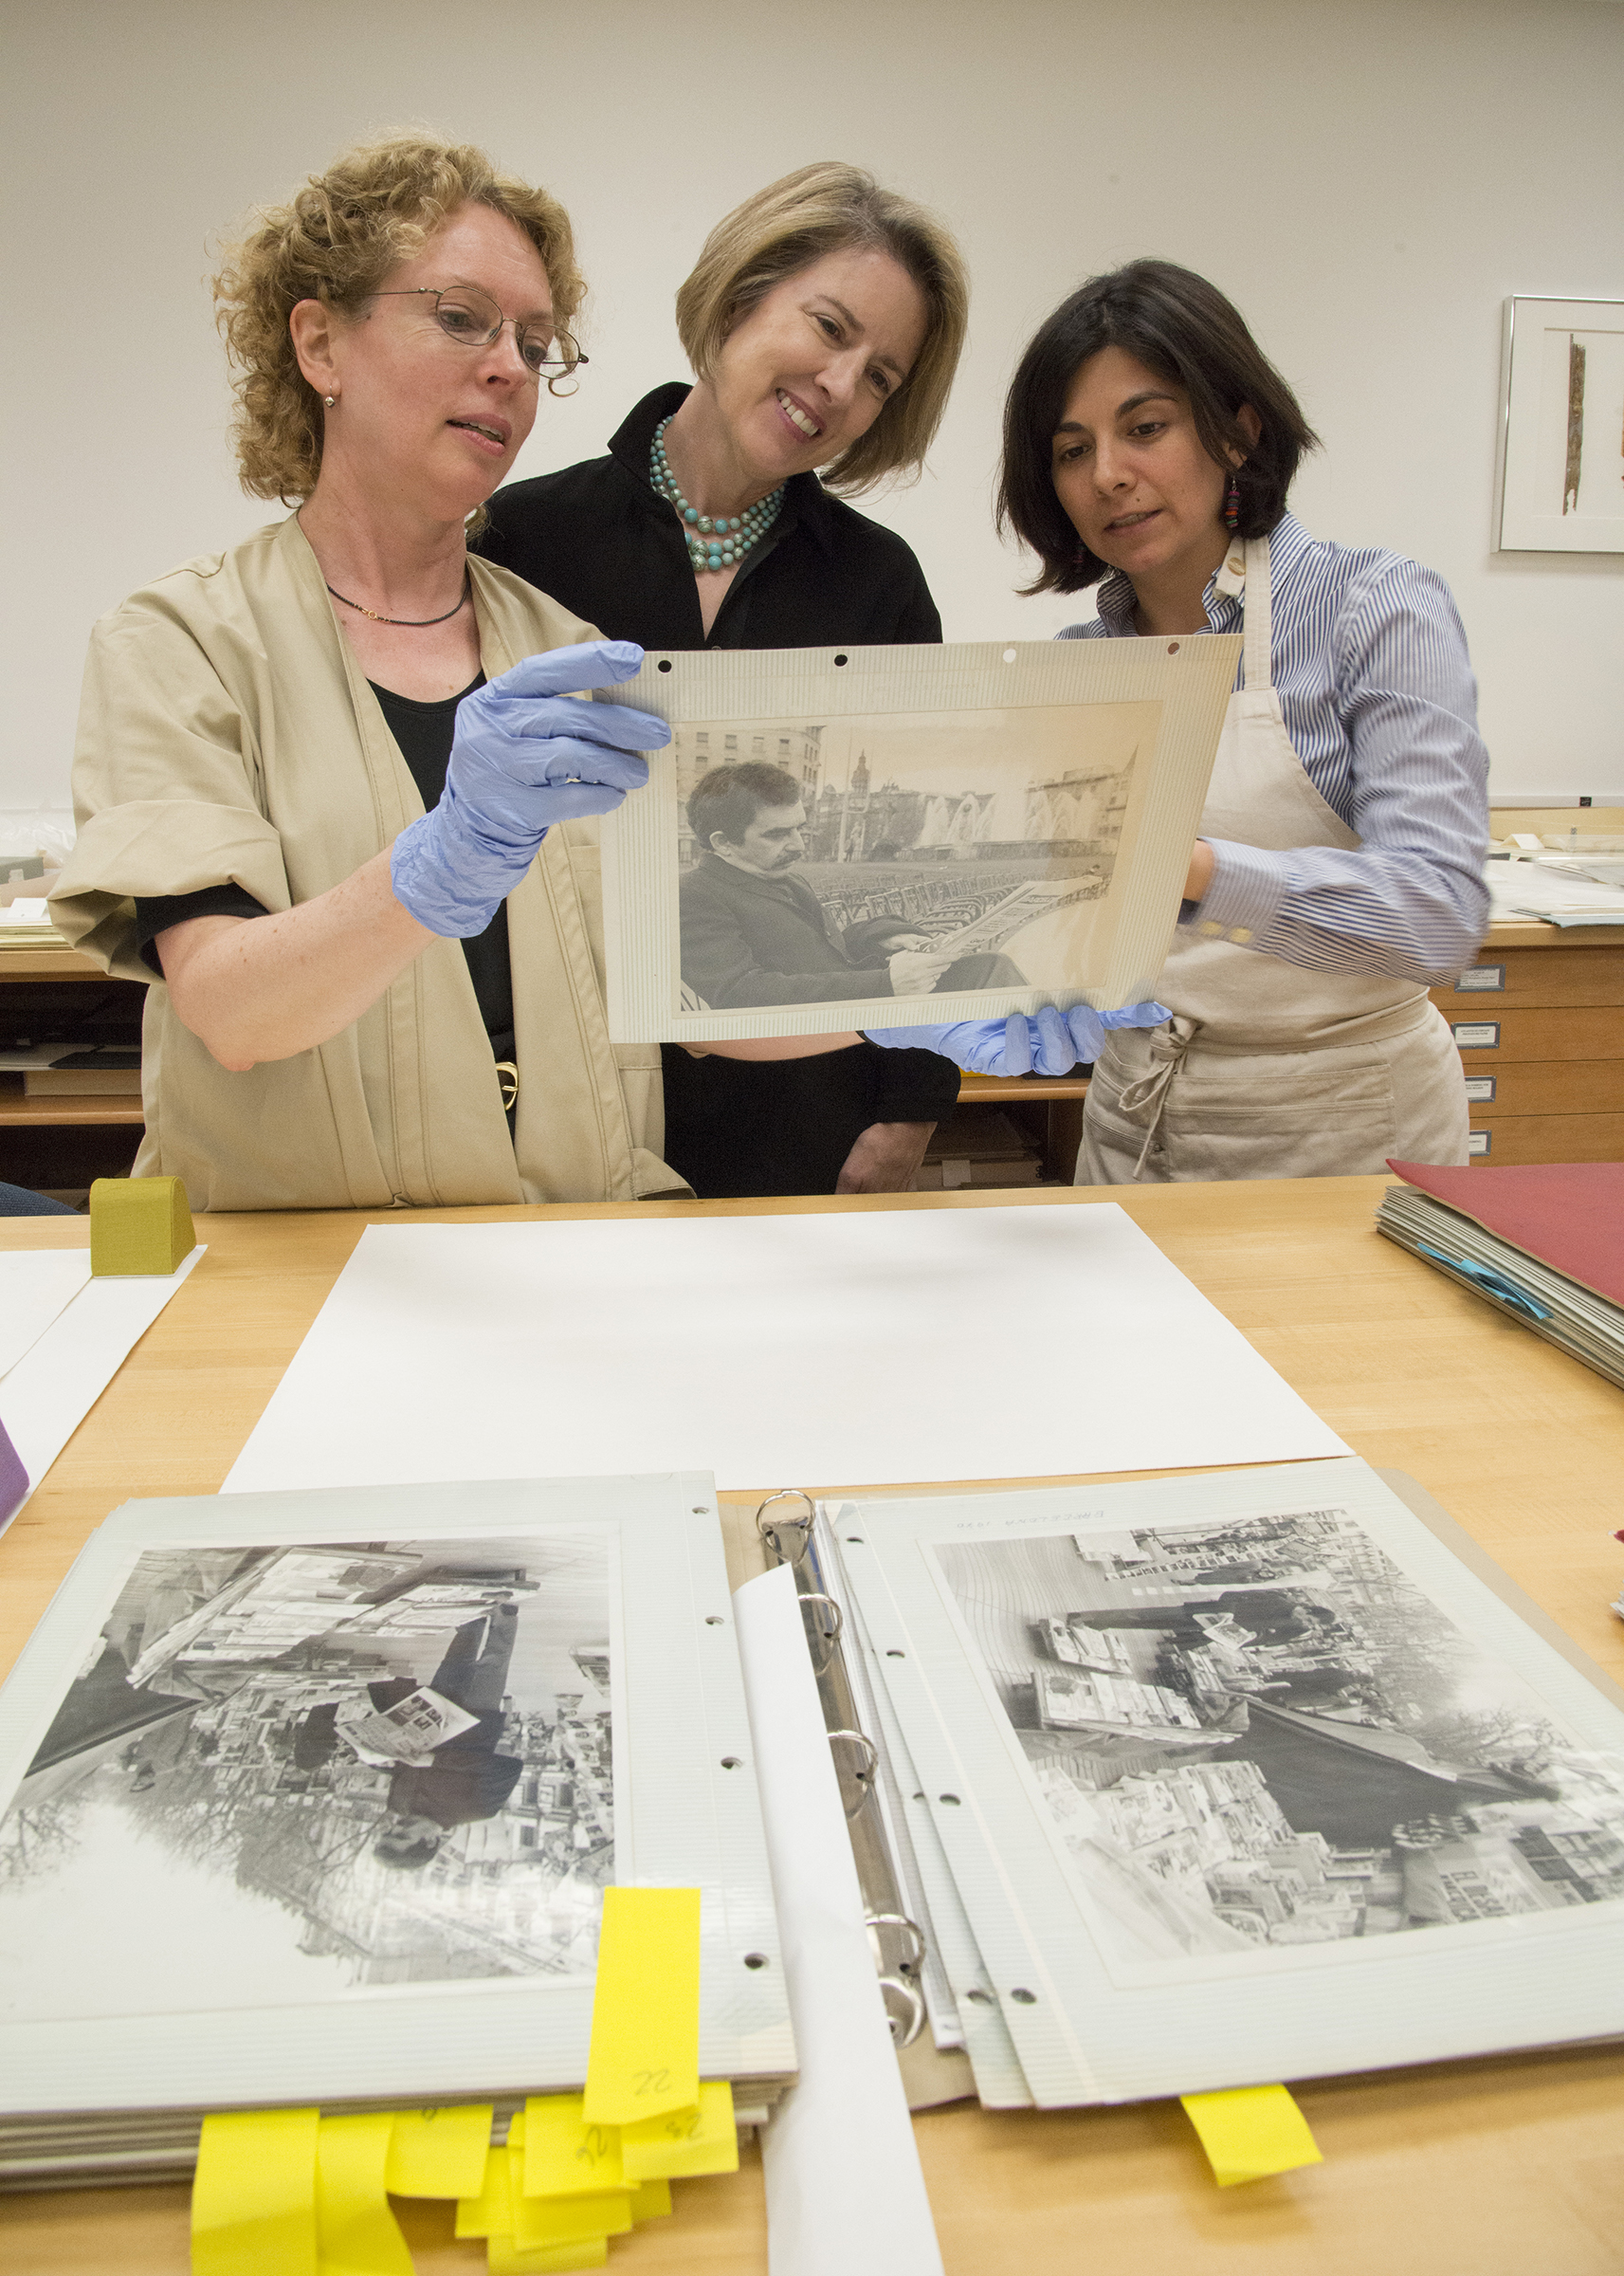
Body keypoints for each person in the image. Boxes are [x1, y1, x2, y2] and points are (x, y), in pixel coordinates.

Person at [49, 136, 682, 1211]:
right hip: (294, 1276)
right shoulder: (183, 642)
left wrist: (908, 999)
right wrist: (435, 867)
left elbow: (688, 977)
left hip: (576, 1255)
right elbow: (231, 1015)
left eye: (536, 341)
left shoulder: (566, 652)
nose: (509, 367)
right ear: (320, 345)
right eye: (460, 317)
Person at [476, 162, 978, 1199]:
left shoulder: (876, 585)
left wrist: (906, 1116)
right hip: (566, 1107)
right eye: (830, 328)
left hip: (808, 1114)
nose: (842, 386)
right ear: (742, 299)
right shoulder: (521, 539)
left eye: (882, 375)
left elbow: (926, 844)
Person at [994, 259, 1487, 1182]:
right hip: (1136, 1120)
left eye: (1145, 428)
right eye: (1070, 450)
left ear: (1236, 432)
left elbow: (1437, 915)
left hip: (1349, 1131)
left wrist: (1197, 874)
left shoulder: (1371, 615)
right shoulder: (1077, 666)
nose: (1108, 475)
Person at [294, 1603, 523, 1870]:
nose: (396, 1826)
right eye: (401, 1835)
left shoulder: (398, 1804)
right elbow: (506, 1769)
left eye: (389, 1832)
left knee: (455, 1661)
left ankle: (475, 1612)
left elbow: (406, 1768)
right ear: (429, 1842)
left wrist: (381, 1761)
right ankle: (506, 1615)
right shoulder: (478, 1811)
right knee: (492, 1665)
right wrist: (435, 1760)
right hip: (476, 1719)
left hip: (432, 1712)